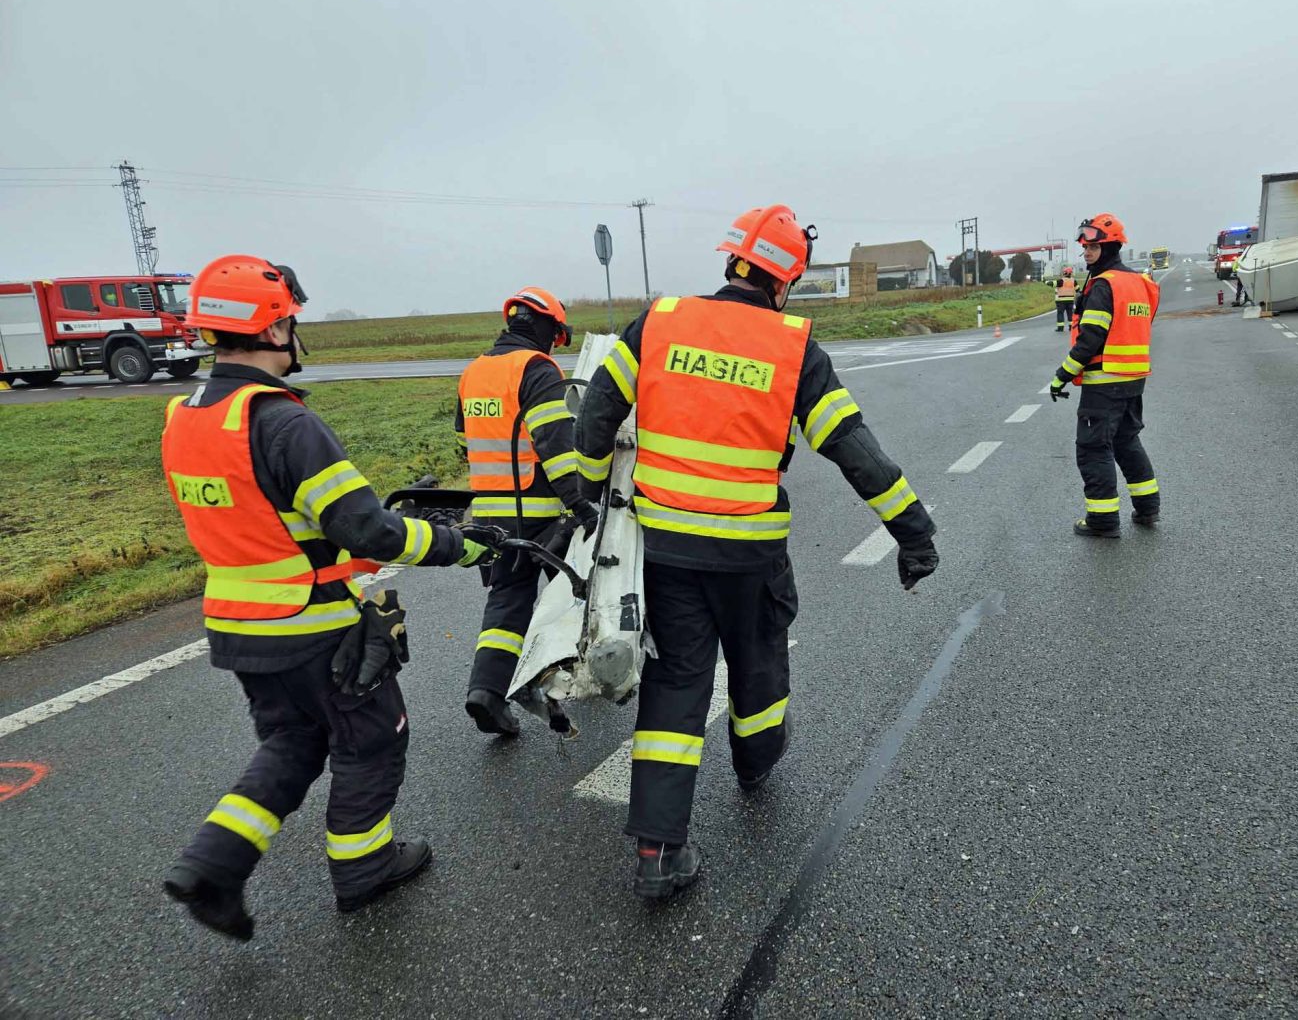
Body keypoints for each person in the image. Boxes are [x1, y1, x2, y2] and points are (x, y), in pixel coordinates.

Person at [574, 205, 939, 899]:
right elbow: (850, 446)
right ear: (785, 279)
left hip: (670, 552)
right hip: (750, 557)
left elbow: (596, 411)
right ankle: (755, 762)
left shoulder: (659, 321)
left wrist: (586, 496)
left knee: (678, 682)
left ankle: (657, 852)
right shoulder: (794, 346)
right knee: (759, 663)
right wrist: (912, 531)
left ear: (731, 260)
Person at [160, 255, 493, 940]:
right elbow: (363, 526)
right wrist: (461, 545)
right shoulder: (284, 423)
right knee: (372, 738)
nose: (295, 334)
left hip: (237, 624)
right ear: (274, 328)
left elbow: (270, 521)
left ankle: (211, 867)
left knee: (293, 742)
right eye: (289, 322)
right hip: (309, 624)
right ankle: (364, 870)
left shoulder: (187, 417)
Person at [455, 287, 598, 735]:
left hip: (491, 514)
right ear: (546, 328)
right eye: (556, 336)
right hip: (541, 513)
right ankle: (572, 679)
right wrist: (581, 504)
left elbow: (466, 443)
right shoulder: (536, 369)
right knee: (574, 592)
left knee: (507, 602)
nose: (555, 346)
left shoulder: (473, 372)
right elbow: (555, 443)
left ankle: (487, 692)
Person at [1048, 215, 1161, 537]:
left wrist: (1062, 375)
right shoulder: (1140, 282)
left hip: (1104, 380)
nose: (1086, 252)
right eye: (1085, 247)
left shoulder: (1103, 285)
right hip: (1133, 378)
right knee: (1127, 441)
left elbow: (1090, 338)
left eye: (1093, 246)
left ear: (1110, 246)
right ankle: (1148, 508)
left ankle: (1102, 520)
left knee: (1094, 449)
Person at [1051, 265, 1077, 332]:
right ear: (1071, 273)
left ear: (1064, 273)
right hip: (1070, 300)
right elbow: (1078, 289)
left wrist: (1044, 281)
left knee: (1060, 313)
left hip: (1061, 301)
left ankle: (1060, 328)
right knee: (1070, 314)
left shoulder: (1061, 281)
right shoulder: (1073, 281)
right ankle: (1071, 327)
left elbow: (1052, 283)